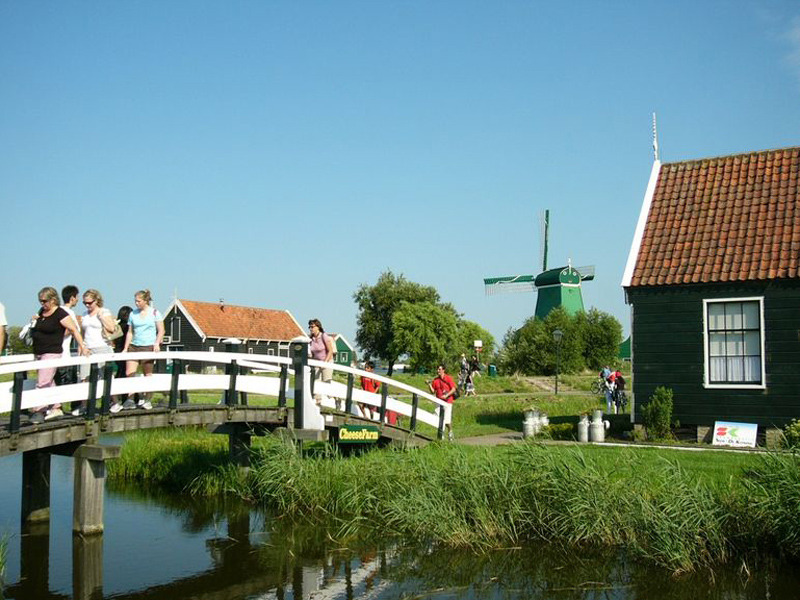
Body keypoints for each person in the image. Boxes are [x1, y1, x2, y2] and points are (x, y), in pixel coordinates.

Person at [29, 287, 88, 422]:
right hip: (39, 351)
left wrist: (82, 346)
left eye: (44, 301)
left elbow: (74, 329)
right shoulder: (42, 312)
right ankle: (56, 407)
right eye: (40, 301)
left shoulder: (60, 313)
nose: (42, 304)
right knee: (49, 381)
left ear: (53, 299)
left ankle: (39, 410)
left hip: (52, 352)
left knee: (42, 382)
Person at [72, 290, 117, 416]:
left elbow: (112, 328)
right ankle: (84, 406)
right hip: (88, 349)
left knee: (106, 376)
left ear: (96, 301)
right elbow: (82, 332)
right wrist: (81, 346)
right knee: (85, 377)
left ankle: (115, 402)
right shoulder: (84, 314)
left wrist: (101, 317)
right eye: (84, 303)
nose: (87, 305)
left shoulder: (104, 312)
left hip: (102, 347)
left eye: (89, 303)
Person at [121, 289, 164, 410]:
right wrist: (125, 348)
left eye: (138, 301)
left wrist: (156, 343)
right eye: (135, 301)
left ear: (145, 301)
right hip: (134, 346)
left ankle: (147, 399)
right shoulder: (133, 314)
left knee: (147, 373)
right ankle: (130, 399)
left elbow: (161, 330)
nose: (136, 303)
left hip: (148, 346)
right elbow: (130, 332)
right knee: (130, 373)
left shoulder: (155, 313)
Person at [55, 285, 80, 386]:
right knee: (66, 385)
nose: (77, 300)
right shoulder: (69, 313)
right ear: (72, 298)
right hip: (64, 355)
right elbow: (74, 330)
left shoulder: (56, 311)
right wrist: (72, 328)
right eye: (77, 297)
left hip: (54, 355)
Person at [308, 318, 336, 406]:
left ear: (318, 327)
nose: (311, 329)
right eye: (310, 327)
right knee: (316, 382)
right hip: (317, 363)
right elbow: (312, 353)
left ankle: (336, 398)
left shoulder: (324, 336)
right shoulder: (311, 339)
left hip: (327, 361)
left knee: (326, 383)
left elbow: (330, 350)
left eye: (312, 327)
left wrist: (325, 362)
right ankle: (318, 403)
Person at [428, 364, 457, 440]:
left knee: (447, 420)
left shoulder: (448, 378)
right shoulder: (435, 380)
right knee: (437, 417)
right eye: (437, 369)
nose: (438, 371)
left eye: (439, 369)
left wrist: (447, 395)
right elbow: (433, 391)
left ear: (443, 370)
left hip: (447, 401)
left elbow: (453, 389)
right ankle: (441, 434)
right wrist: (429, 385)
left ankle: (450, 431)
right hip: (439, 401)